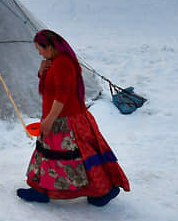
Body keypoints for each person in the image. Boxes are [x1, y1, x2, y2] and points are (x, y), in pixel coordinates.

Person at [17, 29, 130, 206]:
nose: (39, 52)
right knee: (49, 154)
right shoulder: (54, 61)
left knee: (77, 157)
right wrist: (41, 72)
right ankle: (41, 190)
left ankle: (103, 191)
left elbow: (63, 95)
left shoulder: (63, 63)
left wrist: (49, 120)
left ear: (50, 47)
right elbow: (52, 87)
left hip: (65, 121)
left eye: (40, 48)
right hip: (57, 118)